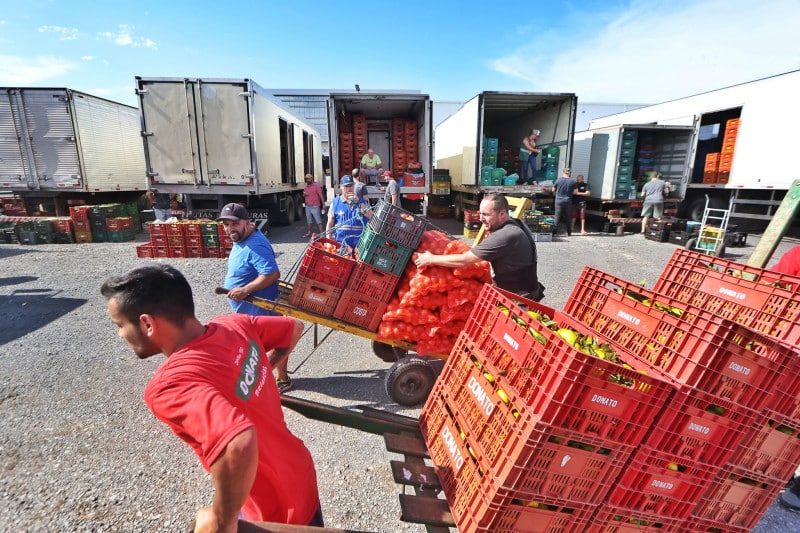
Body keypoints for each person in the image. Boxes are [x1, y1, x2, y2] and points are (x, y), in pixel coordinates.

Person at [100, 264, 323, 531]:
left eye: (119, 325)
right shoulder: (234, 324)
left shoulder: (171, 385)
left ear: (147, 323)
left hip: (272, 511)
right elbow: (294, 328)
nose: (119, 334)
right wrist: (261, 369)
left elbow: (238, 443)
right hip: (299, 474)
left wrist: (221, 520)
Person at [218, 203, 292, 393]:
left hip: (259, 307)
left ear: (247, 222)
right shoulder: (242, 239)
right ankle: (281, 378)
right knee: (273, 341)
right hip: (247, 308)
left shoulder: (255, 244)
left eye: (234, 224)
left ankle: (263, 384)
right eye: (226, 224)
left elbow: (272, 274)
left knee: (266, 345)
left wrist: (245, 290)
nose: (229, 229)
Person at [414, 193, 543, 301]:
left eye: (486, 214)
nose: (481, 219)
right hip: (528, 289)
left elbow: (464, 260)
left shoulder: (505, 235)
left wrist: (430, 259)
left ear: (502, 214)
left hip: (519, 299)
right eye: (480, 213)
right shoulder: (517, 223)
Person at [326, 175, 370, 247]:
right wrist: (328, 241)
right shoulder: (335, 202)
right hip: (341, 245)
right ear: (341, 187)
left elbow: (371, 217)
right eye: (346, 186)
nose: (349, 189)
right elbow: (330, 224)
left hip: (359, 246)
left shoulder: (362, 201)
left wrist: (358, 202)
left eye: (351, 186)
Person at [552, 168, 577, 236]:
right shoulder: (573, 181)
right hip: (568, 200)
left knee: (557, 217)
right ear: (569, 173)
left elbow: (553, 190)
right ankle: (569, 232)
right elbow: (576, 192)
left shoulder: (558, 180)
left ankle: (554, 232)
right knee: (568, 217)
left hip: (558, 201)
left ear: (563, 172)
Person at [302, 173, 325, 238]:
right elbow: (304, 195)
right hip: (307, 206)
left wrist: (323, 204)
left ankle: (322, 233)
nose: (308, 180)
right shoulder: (306, 186)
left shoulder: (316, 186)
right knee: (309, 220)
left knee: (318, 220)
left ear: (312, 179)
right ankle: (309, 232)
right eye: (306, 179)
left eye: (309, 178)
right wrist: (304, 195)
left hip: (315, 205)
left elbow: (320, 195)